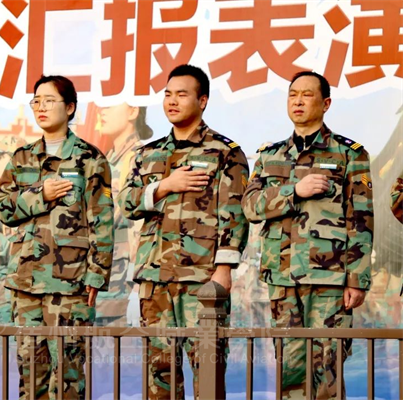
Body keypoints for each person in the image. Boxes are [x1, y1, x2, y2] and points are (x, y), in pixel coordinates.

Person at [119, 64, 249, 400]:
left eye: (182, 94)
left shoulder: (225, 152)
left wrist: (224, 270)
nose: (172, 101)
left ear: (202, 101)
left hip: (202, 281)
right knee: (158, 373)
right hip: (155, 277)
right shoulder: (147, 153)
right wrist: (165, 186)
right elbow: (127, 203)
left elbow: (235, 214)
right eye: (167, 94)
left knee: (207, 370)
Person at [242, 71, 373, 399]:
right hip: (282, 277)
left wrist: (357, 279)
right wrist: (293, 191)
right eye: (293, 95)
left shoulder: (350, 154)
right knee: (290, 366)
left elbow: (361, 220)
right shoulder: (269, 155)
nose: (298, 101)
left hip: (330, 278)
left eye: (307, 94)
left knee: (327, 367)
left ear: (326, 103)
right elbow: (250, 207)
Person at [0, 75, 113, 400]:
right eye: (36, 101)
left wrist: (96, 274)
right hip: (25, 283)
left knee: (68, 378)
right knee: (30, 377)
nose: (41, 107)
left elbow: (102, 220)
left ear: (70, 107)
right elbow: (3, 208)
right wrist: (40, 194)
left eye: (49, 100)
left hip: (70, 284)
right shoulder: (21, 158)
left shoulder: (90, 158)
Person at [97, 104, 153, 326]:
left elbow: (143, 228)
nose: (103, 110)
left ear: (132, 111)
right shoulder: (108, 159)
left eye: (111, 104)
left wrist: (138, 287)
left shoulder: (141, 159)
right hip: (103, 279)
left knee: (120, 344)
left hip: (124, 284)